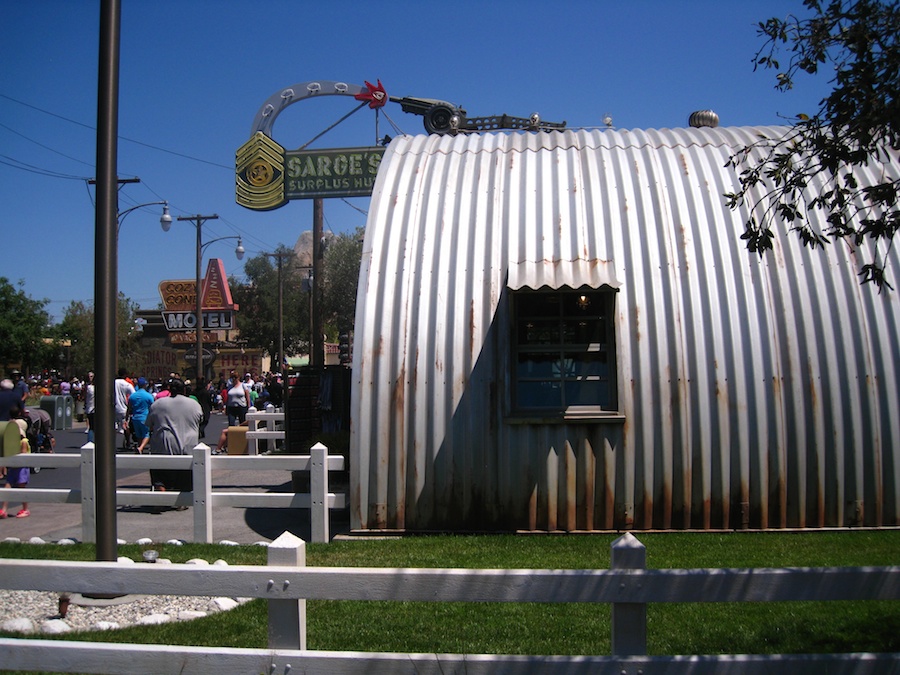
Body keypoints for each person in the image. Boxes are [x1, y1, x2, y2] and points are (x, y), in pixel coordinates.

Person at [146, 377, 202, 494]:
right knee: (184, 478)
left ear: (170, 390)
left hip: (163, 446)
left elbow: (149, 424)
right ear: (185, 390)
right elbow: (200, 420)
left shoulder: (158, 404)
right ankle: (180, 500)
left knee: (160, 475)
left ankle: (161, 492)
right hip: (187, 447)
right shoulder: (194, 404)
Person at [0, 417, 31, 518]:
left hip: (21, 468)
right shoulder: (13, 441)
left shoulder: (24, 441)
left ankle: (25, 509)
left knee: (21, 488)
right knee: (7, 487)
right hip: (13, 467)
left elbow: (23, 453)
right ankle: (4, 509)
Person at [128, 377, 154, 454]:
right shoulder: (148, 396)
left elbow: (129, 408)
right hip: (144, 417)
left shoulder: (133, 396)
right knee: (146, 434)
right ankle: (141, 447)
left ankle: (140, 448)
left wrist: (126, 419)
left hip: (135, 417)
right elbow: (153, 407)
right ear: (145, 385)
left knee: (138, 434)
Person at [114, 367, 135, 445]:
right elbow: (134, 395)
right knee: (126, 426)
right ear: (125, 375)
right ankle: (128, 442)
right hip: (124, 408)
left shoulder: (113, 382)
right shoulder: (127, 385)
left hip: (114, 408)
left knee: (114, 427)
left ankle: (111, 443)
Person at [83, 371, 96, 443]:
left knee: (92, 427)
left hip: (90, 408)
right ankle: (90, 441)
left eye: (91, 376)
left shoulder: (87, 387)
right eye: (89, 376)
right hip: (92, 408)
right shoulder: (89, 388)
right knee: (92, 427)